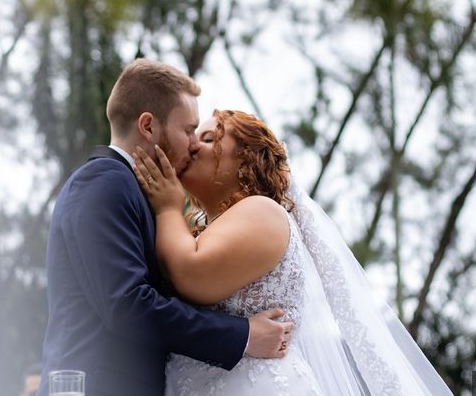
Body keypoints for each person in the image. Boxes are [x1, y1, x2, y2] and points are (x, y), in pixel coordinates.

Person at [133, 109, 452, 395]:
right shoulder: (220, 226)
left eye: (209, 138)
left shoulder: (262, 212)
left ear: (246, 158)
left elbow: (192, 274)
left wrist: (167, 209)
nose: (192, 145)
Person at [38, 60, 292, 396]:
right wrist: (242, 335)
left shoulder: (141, 193)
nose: (192, 145)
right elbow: (128, 304)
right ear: (147, 126)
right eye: (188, 130)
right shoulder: (104, 182)